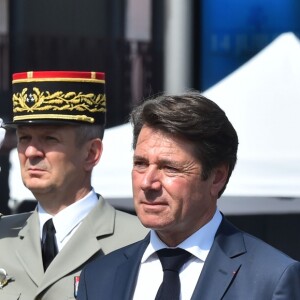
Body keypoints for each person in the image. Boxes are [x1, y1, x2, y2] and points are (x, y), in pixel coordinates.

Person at [77, 91, 300, 300]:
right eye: (140, 164)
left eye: (169, 168)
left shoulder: (271, 278)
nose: (147, 183)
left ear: (217, 178)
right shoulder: (98, 278)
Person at [0, 71, 148, 299]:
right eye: (24, 138)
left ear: (91, 153)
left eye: (50, 139)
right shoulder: (3, 236)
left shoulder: (142, 241)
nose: (30, 152)